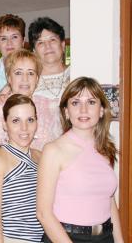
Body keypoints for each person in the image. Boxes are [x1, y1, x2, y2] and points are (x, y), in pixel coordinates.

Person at [37, 77, 123, 243]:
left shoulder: (106, 149)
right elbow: (43, 213)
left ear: (101, 111)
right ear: (67, 112)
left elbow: (109, 200)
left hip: (105, 236)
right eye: (75, 103)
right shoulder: (54, 150)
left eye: (91, 102)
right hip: (65, 237)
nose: (83, 109)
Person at [0, 94, 44, 243]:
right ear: (5, 124)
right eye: (16, 121)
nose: (24, 128)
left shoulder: (40, 156)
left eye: (30, 120)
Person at [0, 49, 62, 152]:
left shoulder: (51, 106)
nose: (25, 79)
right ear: (9, 78)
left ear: (37, 79)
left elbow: (59, 148)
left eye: (30, 73)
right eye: (18, 73)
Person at [28, 17, 70, 106]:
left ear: (62, 45)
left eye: (52, 40)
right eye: (41, 43)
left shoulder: (77, 73)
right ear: (34, 51)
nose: (48, 46)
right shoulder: (28, 80)